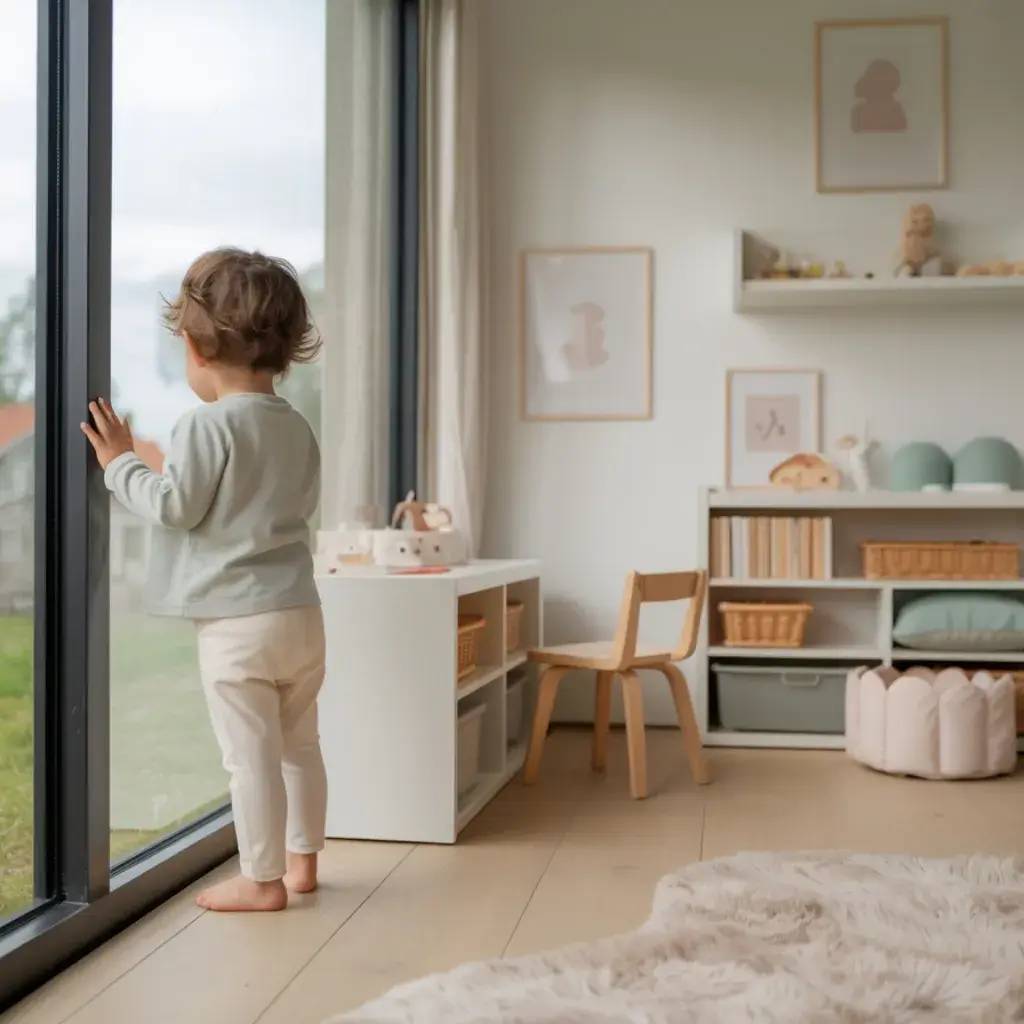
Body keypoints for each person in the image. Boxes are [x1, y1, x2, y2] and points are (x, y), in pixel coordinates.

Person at [82, 248, 325, 912]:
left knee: (249, 758)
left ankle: (263, 880)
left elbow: (172, 507)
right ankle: (303, 863)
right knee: (301, 746)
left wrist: (119, 463)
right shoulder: (297, 428)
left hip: (237, 626)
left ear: (195, 348)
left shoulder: (205, 426)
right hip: (301, 614)